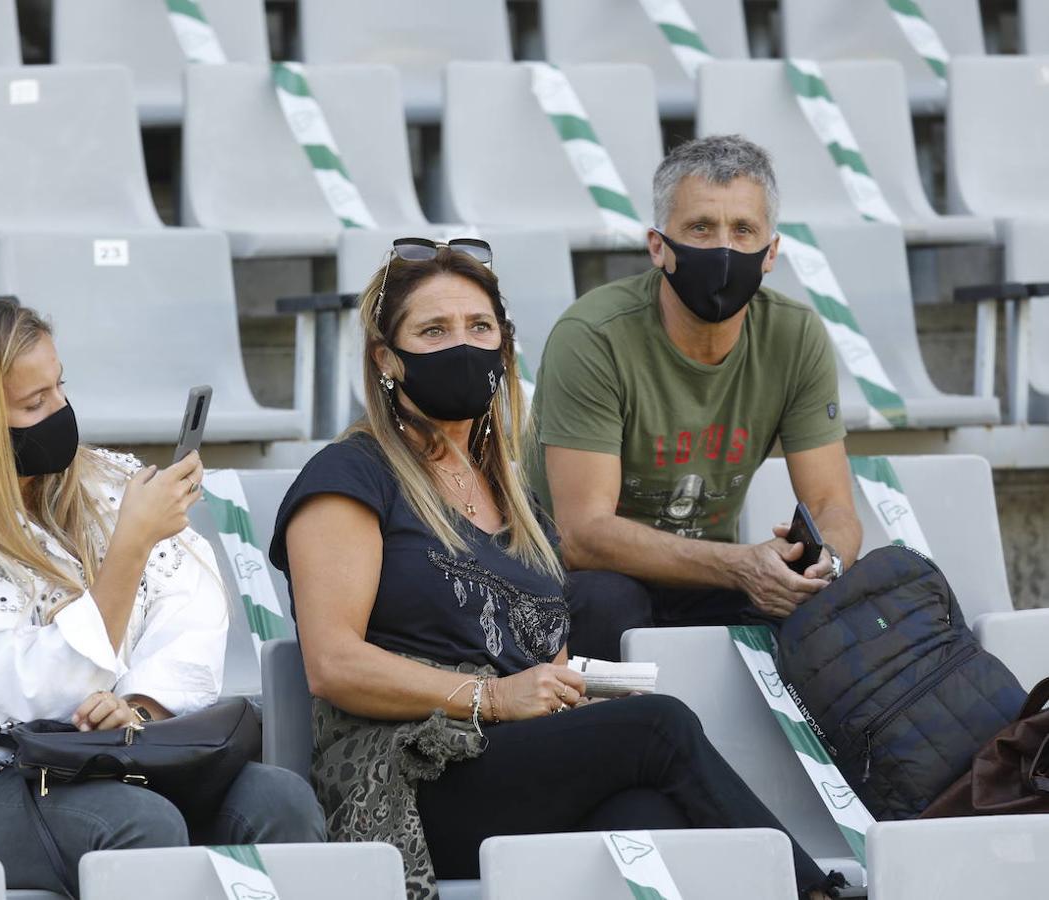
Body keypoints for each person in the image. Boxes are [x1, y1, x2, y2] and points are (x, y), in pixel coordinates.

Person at [271, 239, 839, 900]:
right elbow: (333, 664)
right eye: (434, 330)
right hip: (410, 775)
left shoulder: (522, 507)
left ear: (505, 348)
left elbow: (550, 666)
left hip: (511, 766)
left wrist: (578, 694)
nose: (463, 345)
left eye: (479, 327)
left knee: (644, 819)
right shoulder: (351, 477)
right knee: (658, 728)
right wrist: (493, 697)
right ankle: (816, 892)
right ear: (387, 359)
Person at [0, 298, 324, 894]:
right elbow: (33, 683)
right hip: (14, 779)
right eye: (35, 403)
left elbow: (193, 598)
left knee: (279, 799)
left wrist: (138, 706)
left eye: (60, 389)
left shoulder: (105, 479)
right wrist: (129, 548)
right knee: (139, 825)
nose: (61, 411)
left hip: (141, 751)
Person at [530, 135, 863, 661]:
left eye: (743, 230)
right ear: (658, 246)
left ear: (771, 252)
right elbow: (582, 535)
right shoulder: (593, 335)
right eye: (701, 228)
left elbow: (832, 506)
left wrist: (825, 564)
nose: (724, 249)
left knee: (828, 609)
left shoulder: (795, 336)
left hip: (708, 577)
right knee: (607, 602)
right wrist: (739, 564)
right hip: (579, 579)